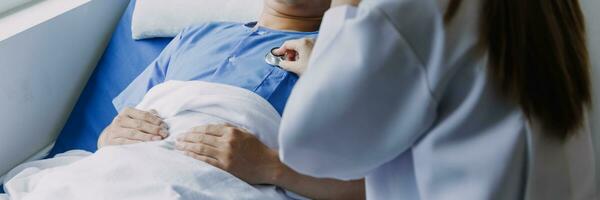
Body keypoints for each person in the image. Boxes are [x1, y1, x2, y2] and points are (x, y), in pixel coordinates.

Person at [204, 0, 598, 199]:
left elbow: (313, 148)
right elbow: (447, 84)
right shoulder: (548, 10)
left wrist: (345, 19)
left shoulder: (404, 10)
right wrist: (332, 61)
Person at [96, 0, 364, 199]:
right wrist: (109, 137)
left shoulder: (348, 60)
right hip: (122, 172)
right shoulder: (194, 35)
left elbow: (377, 184)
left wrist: (270, 166)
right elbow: (120, 125)